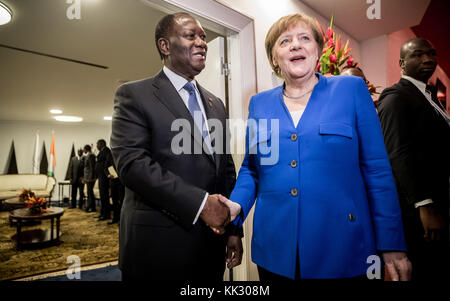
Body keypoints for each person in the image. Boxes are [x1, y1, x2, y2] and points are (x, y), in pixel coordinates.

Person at [217, 13, 411, 280]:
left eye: (304, 38)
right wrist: (235, 209)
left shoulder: (351, 90)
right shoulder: (259, 104)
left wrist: (392, 245)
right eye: (285, 41)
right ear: (274, 58)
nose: (296, 45)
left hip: (345, 250)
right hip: (275, 251)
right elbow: (253, 169)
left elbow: (377, 170)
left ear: (318, 50)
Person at [110, 12, 243, 280]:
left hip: (210, 247)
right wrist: (201, 204)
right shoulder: (134, 95)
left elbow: (225, 169)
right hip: (157, 249)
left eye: (204, 37)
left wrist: (233, 230)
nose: (202, 42)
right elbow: (132, 165)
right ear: (165, 46)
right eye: (191, 35)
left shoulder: (216, 104)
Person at [377, 38, 450, 281]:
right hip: (419, 211)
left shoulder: (430, 97)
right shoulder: (396, 97)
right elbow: (397, 152)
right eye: (418, 55)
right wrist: (424, 204)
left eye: (431, 53)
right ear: (402, 63)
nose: (428, 59)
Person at [105, 148, 124, 225]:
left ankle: (122, 220)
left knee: (122, 201)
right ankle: (115, 218)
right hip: (113, 181)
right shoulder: (110, 154)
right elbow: (106, 167)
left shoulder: (123, 152)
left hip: (121, 182)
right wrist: (108, 175)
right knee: (114, 201)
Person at [95, 139, 111, 221]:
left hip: (104, 177)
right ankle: (102, 213)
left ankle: (106, 214)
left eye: (97, 144)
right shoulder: (101, 151)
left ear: (102, 144)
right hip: (101, 177)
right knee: (102, 196)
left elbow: (107, 164)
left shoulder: (107, 150)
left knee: (105, 196)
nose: (96, 146)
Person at [82, 144, 97, 213]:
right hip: (88, 177)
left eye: (84, 149)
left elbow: (92, 167)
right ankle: (91, 206)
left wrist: (91, 177)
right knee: (89, 192)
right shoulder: (88, 155)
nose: (83, 150)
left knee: (90, 193)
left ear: (86, 149)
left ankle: (91, 207)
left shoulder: (91, 155)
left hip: (90, 178)